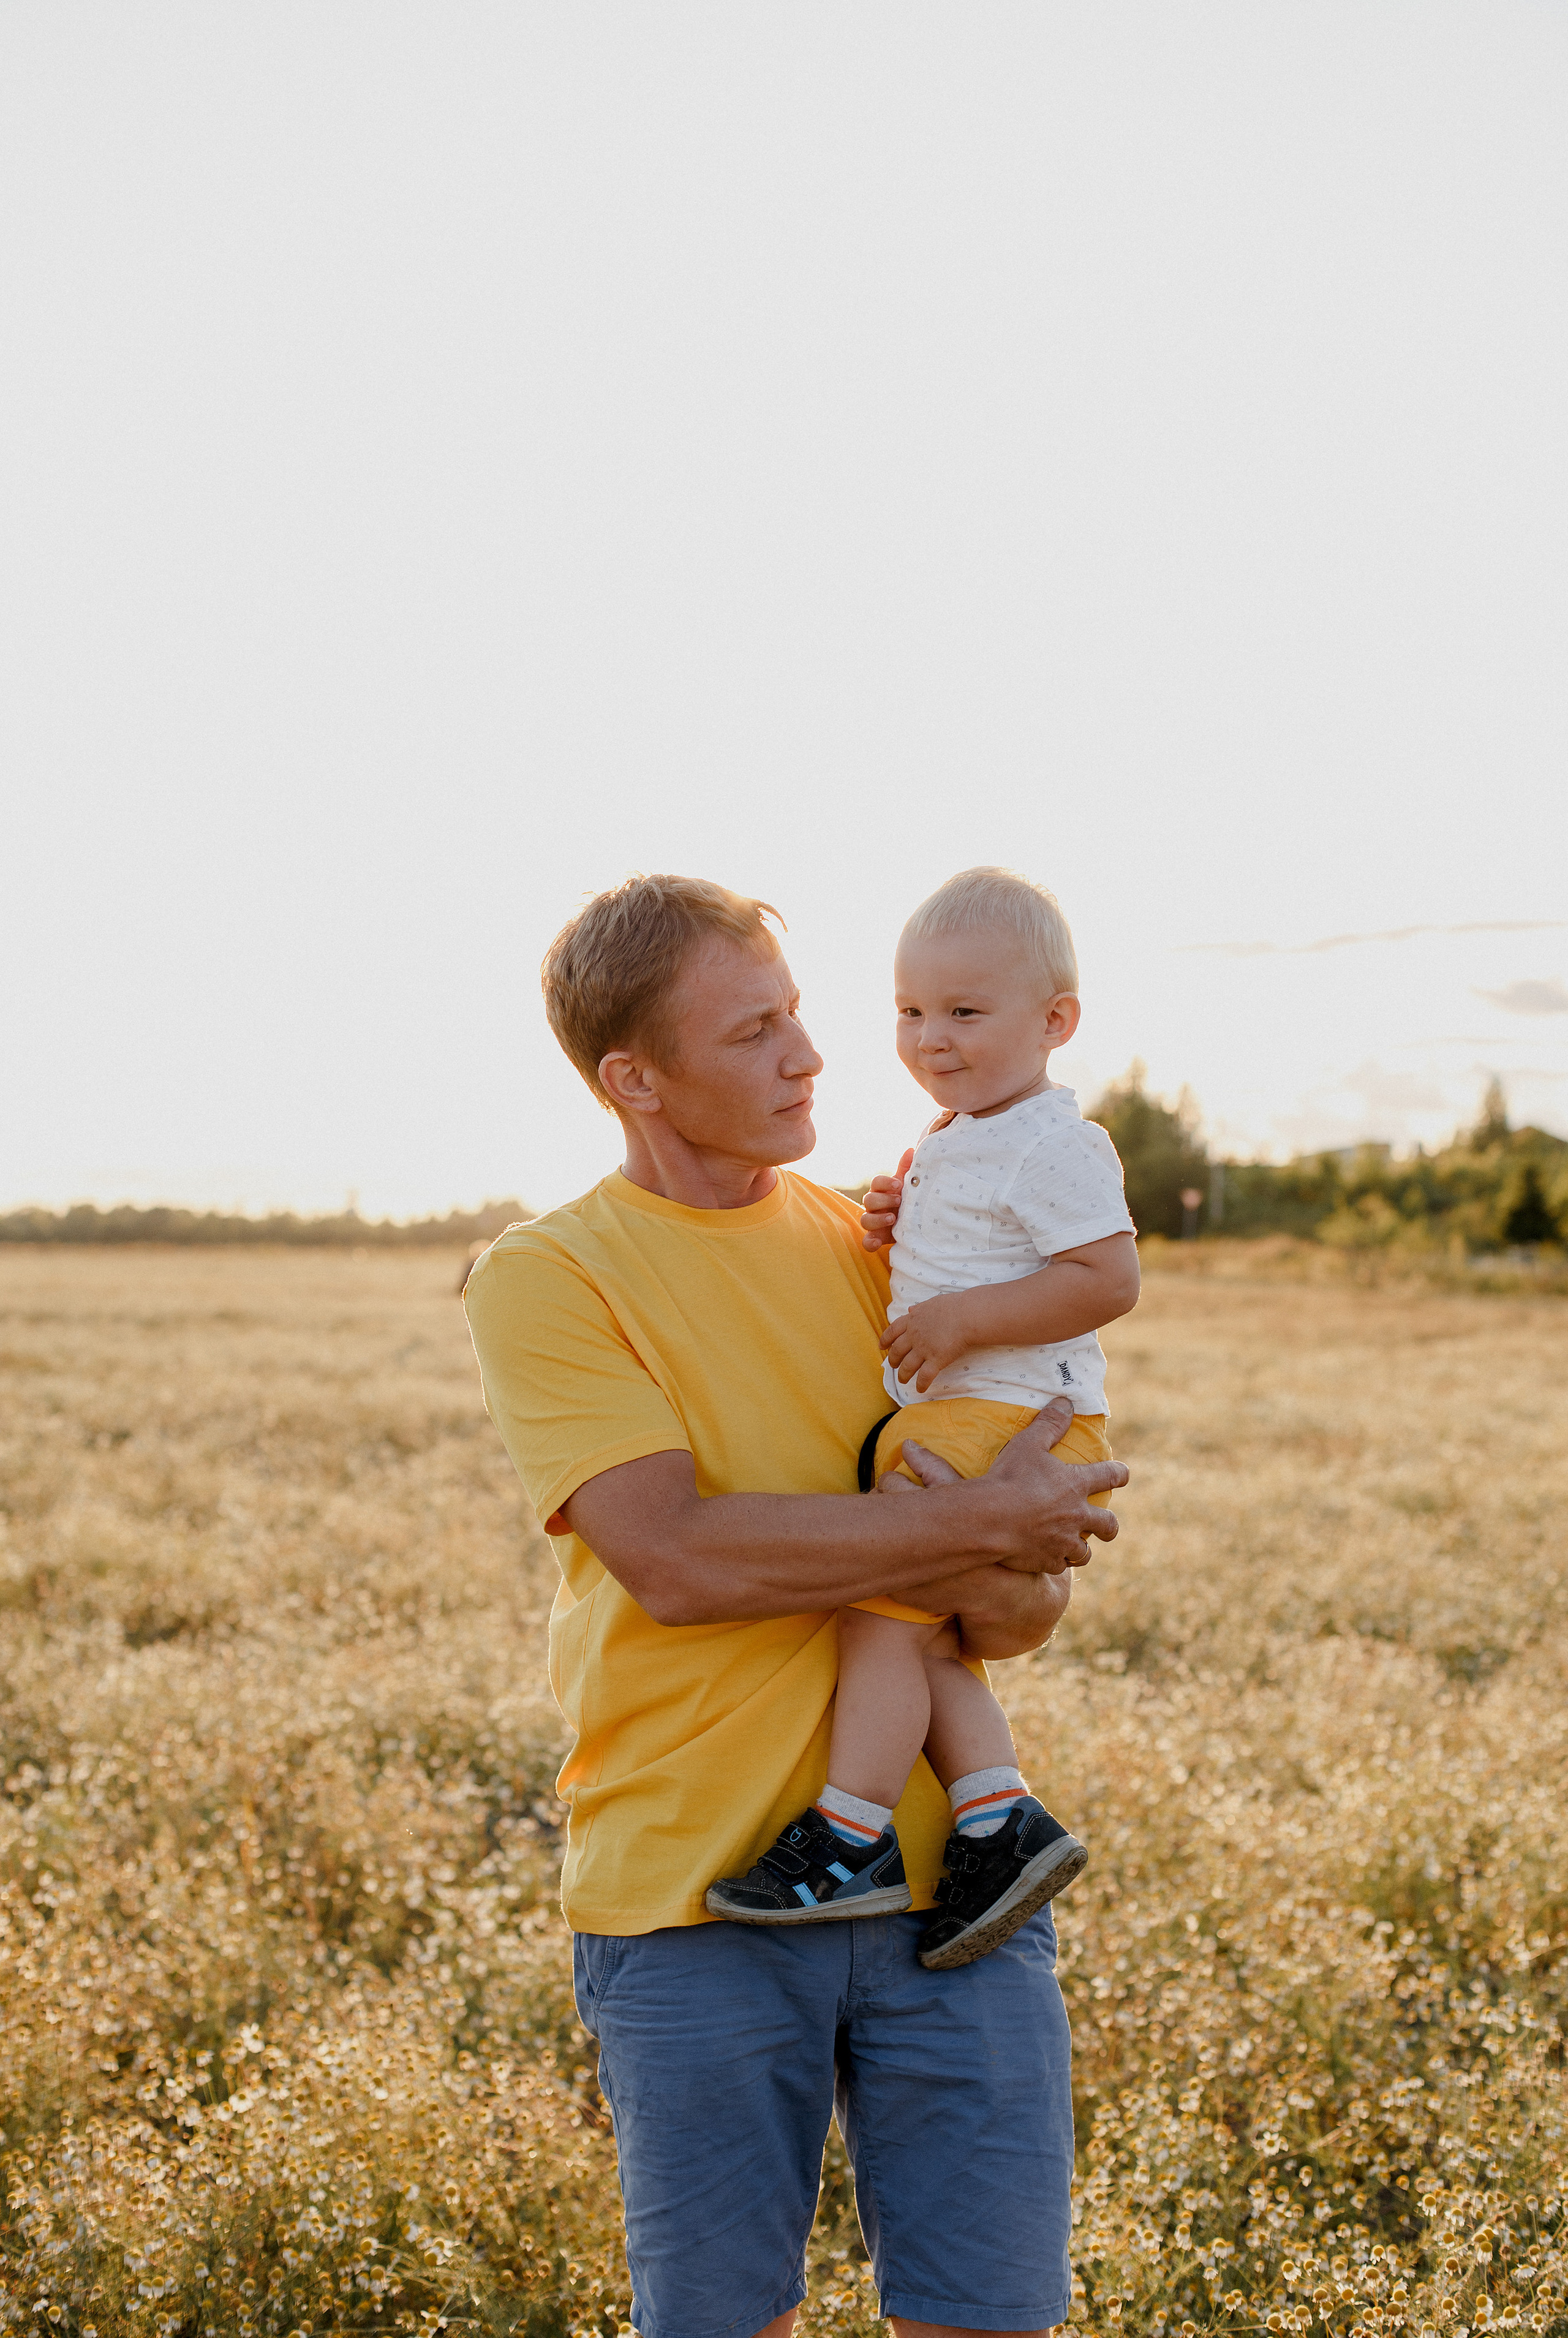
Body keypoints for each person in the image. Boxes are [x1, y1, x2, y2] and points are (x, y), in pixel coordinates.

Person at [464, 873, 1128, 2338]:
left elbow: (1014, 1608)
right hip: (694, 1898)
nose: (812, 1056)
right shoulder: (549, 1275)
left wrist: (991, 1552)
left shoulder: (885, 1246)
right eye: (755, 1031)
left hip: (958, 1895)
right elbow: (677, 1560)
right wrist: (967, 1534)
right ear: (634, 1078)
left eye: (800, 1016)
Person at [706, 867, 1139, 1969]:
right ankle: (997, 1818)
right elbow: (982, 1232)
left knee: (876, 1609)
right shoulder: (962, 1131)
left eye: (963, 1012)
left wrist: (959, 1320)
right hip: (964, 1417)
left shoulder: (1055, 1139)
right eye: (909, 1011)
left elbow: (1106, 1276)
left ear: (1056, 1023)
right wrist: (905, 1214)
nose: (930, 1037)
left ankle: (852, 1835)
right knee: (925, 1627)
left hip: (1004, 1419)